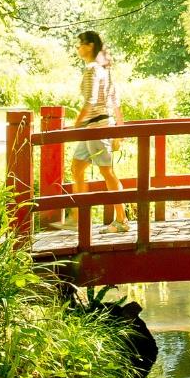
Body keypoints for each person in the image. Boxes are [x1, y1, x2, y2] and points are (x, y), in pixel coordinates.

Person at [70, 30, 127, 232]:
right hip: (96, 127)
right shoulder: (104, 70)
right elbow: (114, 101)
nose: (78, 48)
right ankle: (77, 219)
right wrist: (118, 130)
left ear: (90, 46)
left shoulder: (93, 70)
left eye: (80, 44)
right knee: (77, 168)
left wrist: (76, 124)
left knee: (107, 172)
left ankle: (121, 220)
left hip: (96, 126)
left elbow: (91, 101)